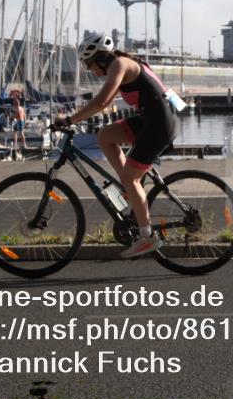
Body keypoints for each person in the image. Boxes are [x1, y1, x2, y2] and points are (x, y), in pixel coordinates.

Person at [53, 32, 178, 258]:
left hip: (159, 124)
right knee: (105, 136)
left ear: (99, 58)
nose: (90, 70)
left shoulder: (119, 64)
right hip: (150, 119)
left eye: (89, 65)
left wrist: (71, 120)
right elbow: (107, 101)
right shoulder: (119, 65)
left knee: (132, 177)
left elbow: (102, 101)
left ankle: (146, 236)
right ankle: (129, 190)